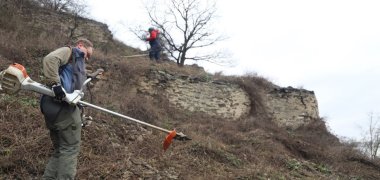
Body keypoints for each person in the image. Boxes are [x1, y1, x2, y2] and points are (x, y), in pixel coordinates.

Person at [40, 38, 93, 180]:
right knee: (70, 150)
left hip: (52, 110)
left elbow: (75, 92)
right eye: (87, 54)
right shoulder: (71, 52)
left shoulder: (76, 65)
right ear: (80, 45)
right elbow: (50, 59)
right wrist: (55, 85)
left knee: (60, 150)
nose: (87, 58)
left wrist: (80, 118)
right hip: (62, 107)